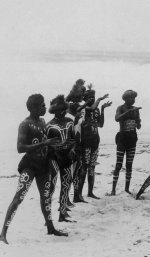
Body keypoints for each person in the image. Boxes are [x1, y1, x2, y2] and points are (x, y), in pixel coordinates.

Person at [0, 94, 67, 244]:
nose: (45, 108)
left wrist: (53, 146)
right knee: (19, 198)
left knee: (46, 198)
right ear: (34, 107)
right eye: (42, 105)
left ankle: (50, 228)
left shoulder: (43, 122)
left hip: (43, 165)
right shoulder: (25, 124)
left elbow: (45, 142)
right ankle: (3, 233)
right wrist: (45, 144)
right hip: (29, 165)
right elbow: (20, 148)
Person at [76, 85, 111, 200]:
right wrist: (99, 100)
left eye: (94, 97)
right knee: (83, 168)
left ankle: (90, 192)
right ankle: (79, 194)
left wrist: (102, 109)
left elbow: (101, 125)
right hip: (85, 142)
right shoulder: (83, 109)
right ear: (85, 99)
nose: (92, 99)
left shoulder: (95, 109)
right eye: (90, 97)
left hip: (95, 141)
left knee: (92, 167)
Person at [46, 95, 77, 222]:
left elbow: (74, 139)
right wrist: (56, 149)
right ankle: (47, 217)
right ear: (54, 110)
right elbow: (46, 144)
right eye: (59, 109)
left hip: (67, 157)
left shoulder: (70, 121)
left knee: (65, 184)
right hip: (53, 158)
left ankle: (62, 213)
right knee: (51, 187)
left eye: (63, 109)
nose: (62, 111)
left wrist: (72, 149)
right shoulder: (49, 126)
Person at [109, 90, 141, 195]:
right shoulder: (121, 108)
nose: (132, 100)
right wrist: (128, 113)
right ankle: (113, 189)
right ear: (125, 98)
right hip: (122, 138)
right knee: (118, 164)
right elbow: (117, 118)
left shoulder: (136, 110)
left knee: (129, 164)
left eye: (134, 98)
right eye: (130, 98)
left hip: (132, 139)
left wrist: (138, 122)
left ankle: (127, 189)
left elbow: (138, 125)